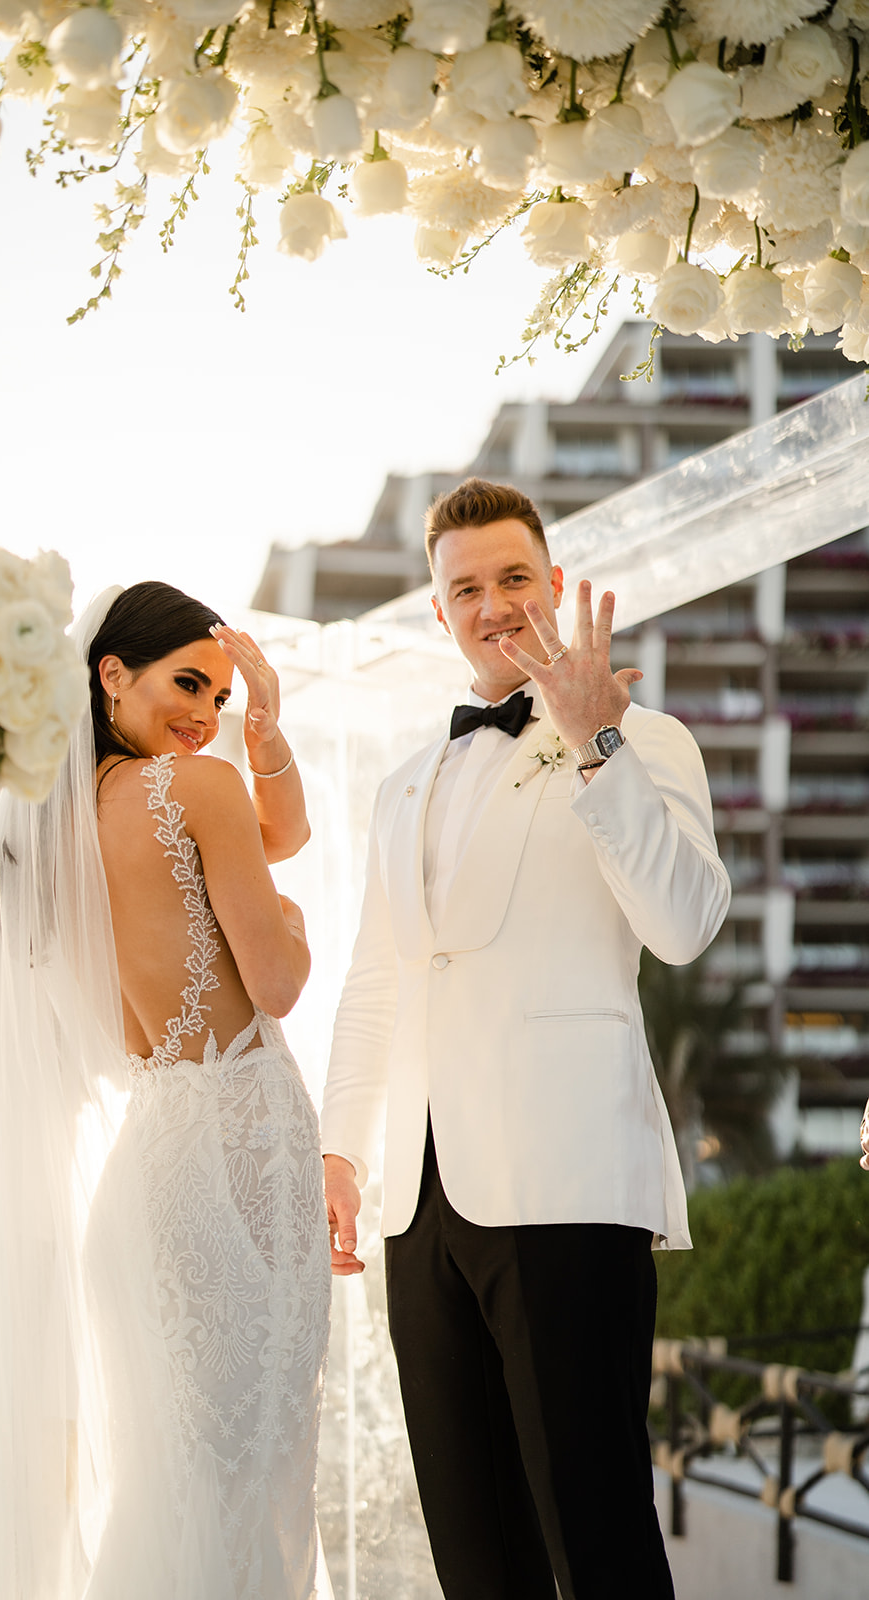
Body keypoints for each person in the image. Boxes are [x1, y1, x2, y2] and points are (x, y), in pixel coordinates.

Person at [321, 479, 731, 1600]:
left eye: (512, 577)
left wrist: (594, 737)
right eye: (465, 587)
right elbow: (374, 979)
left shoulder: (645, 737)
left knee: (591, 1535)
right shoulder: (404, 783)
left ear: (553, 585)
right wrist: (340, 1148)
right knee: (474, 1553)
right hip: (418, 1197)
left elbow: (685, 923)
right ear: (437, 611)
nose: (492, 604)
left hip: (567, 1182)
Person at [0, 583, 331, 1600]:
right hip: (238, 1150)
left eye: (217, 697)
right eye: (189, 683)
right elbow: (276, 984)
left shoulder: (49, 832)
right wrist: (294, 924)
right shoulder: (197, 789)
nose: (204, 715)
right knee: (253, 1476)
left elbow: (281, 831)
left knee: (171, 1490)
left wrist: (259, 729)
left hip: (146, 1180)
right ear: (110, 673)